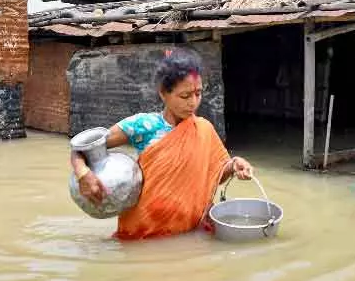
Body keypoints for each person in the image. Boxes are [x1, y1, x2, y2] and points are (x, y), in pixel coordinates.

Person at [69, 47, 254, 241]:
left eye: (198, 94)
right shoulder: (143, 125)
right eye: (185, 96)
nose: (193, 103)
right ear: (164, 93)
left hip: (190, 232)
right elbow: (80, 149)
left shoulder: (204, 129)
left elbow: (214, 176)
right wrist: (83, 174)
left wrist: (234, 166)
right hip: (142, 234)